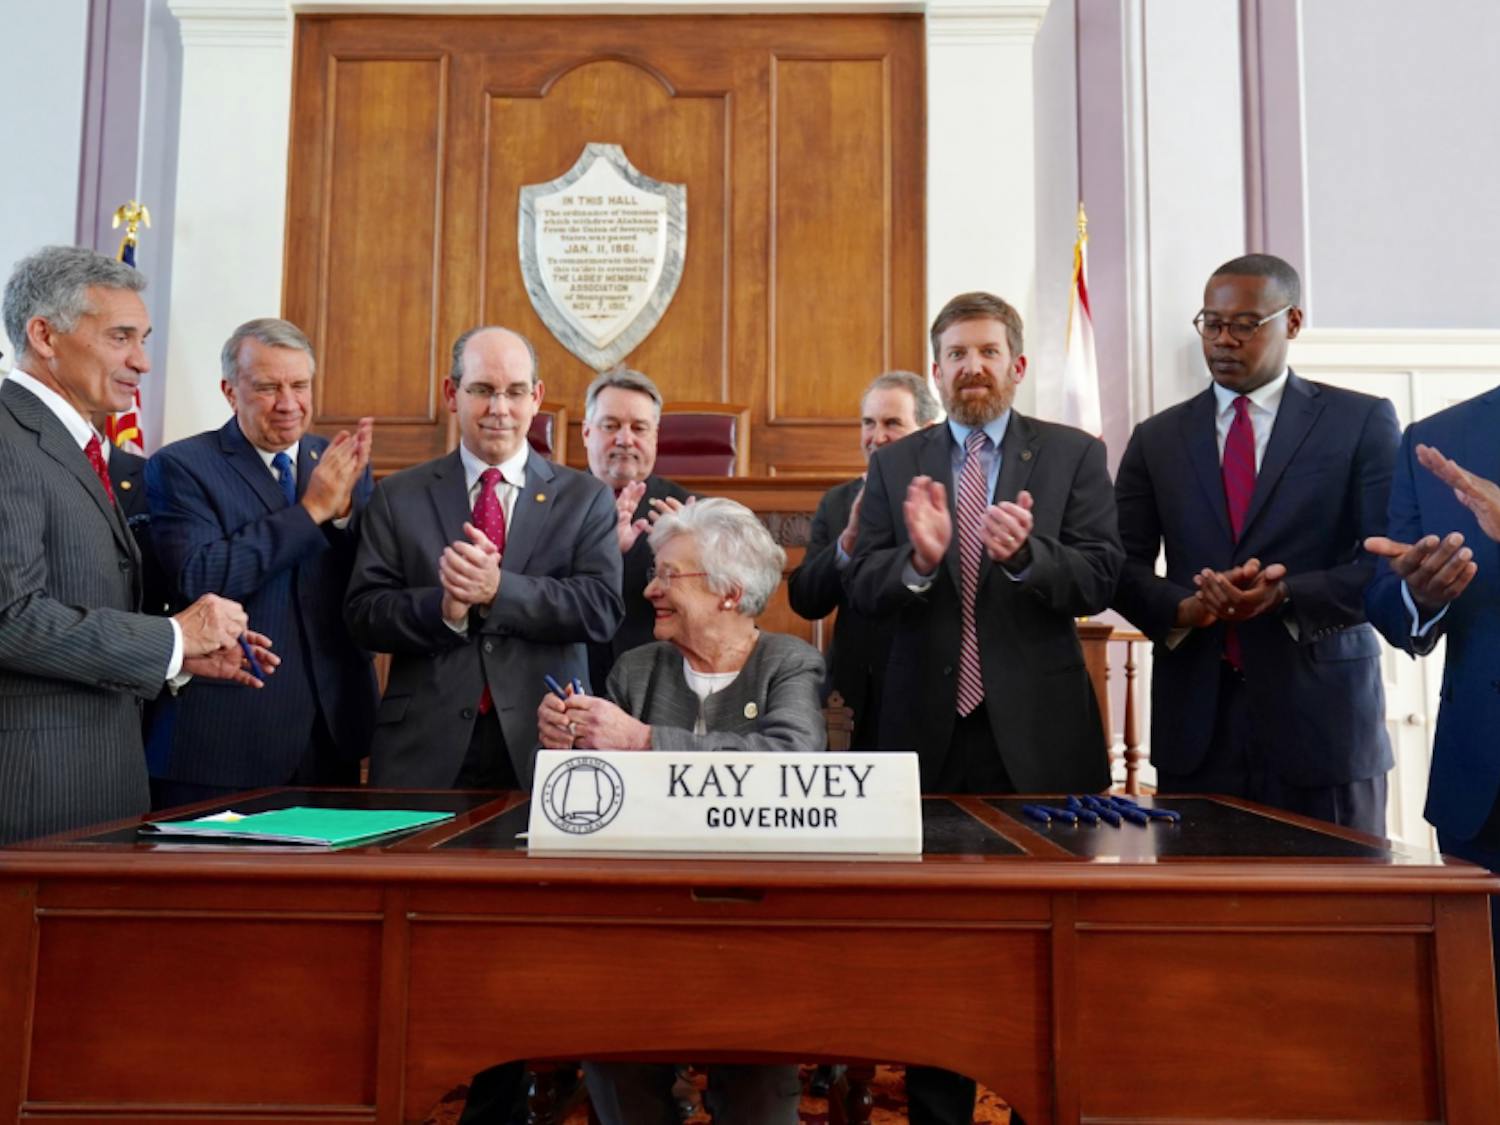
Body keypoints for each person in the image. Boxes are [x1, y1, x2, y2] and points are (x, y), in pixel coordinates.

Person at [843, 292, 1118, 1125]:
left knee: (1053, 936)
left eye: (988, 351)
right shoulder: (896, 463)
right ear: (936, 370)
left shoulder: (1073, 453)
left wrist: (1028, 556)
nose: (973, 367)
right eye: (956, 353)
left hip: (1039, 733)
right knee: (935, 941)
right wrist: (920, 565)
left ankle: (1055, 1100)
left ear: (1017, 366)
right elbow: (860, 584)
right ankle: (937, 1107)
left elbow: (1101, 575)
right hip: (925, 733)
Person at [539, 497, 824, 1125]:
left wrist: (640, 741)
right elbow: (590, 804)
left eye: (669, 575)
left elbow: (789, 760)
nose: (650, 590)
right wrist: (564, 743)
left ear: (727, 590)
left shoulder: (789, 662)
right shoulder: (636, 669)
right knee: (618, 1071)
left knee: (759, 1103)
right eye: (653, 573)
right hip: (640, 923)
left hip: (758, 925)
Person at [1112, 253, 1399, 835]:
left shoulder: (1360, 421)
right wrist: (1185, 608)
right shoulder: (1157, 438)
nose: (1223, 340)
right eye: (1211, 324)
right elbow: (1118, 565)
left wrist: (1287, 594)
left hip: (1325, 725)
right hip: (1198, 728)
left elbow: (1386, 563)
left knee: (1336, 918)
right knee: (1208, 920)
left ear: (1291, 323)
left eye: (1244, 325)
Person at [0, 245, 274, 844]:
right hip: (32, 801)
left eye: (144, 338)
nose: (143, 362)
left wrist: (174, 660)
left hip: (97, 791)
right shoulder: (6, 438)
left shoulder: (78, 446)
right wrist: (173, 635)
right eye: (121, 337)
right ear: (44, 335)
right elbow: (10, 619)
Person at [144, 318, 378, 808]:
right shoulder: (182, 465)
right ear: (230, 391)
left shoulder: (338, 461)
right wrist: (311, 511)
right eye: (268, 387)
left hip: (332, 735)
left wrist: (340, 519)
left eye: (299, 385)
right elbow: (202, 576)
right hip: (226, 743)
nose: (289, 403)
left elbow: (368, 582)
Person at [1365, 415, 1500, 1029]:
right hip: (1482, 790)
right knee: (1482, 1022)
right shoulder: (1442, 438)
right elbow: (1391, 602)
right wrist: (1421, 595)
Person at [788, 370, 939, 748]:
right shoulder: (839, 502)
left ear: (928, 430)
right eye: (868, 423)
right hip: (857, 694)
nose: (877, 437)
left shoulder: (945, 500)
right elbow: (806, 600)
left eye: (892, 423)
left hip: (930, 688)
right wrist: (846, 544)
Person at [579, 365, 694, 690]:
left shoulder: (689, 511)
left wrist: (695, 555)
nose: (625, 439)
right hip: (572, 679)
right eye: (611, 425)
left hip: (661, 684)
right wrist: (599, 552)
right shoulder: (551, 504)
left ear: (655, 436)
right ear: (587, 432)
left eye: (639, 427)